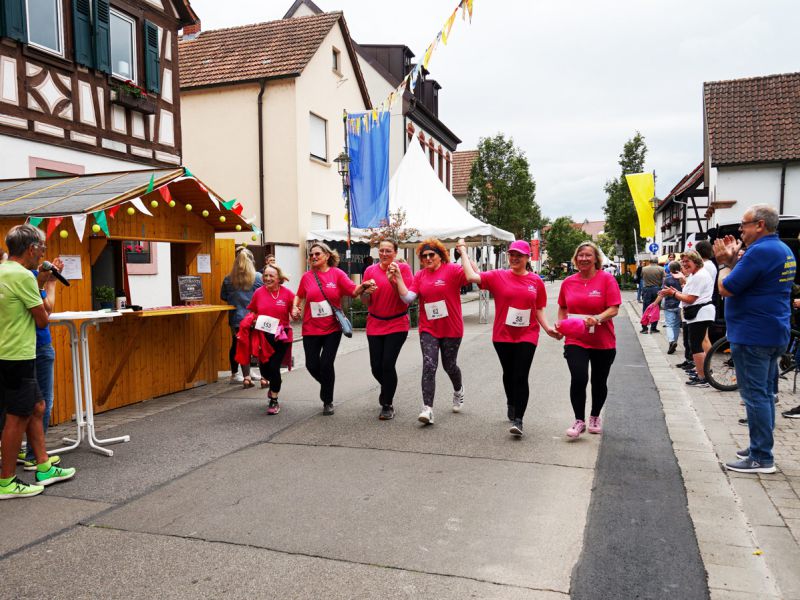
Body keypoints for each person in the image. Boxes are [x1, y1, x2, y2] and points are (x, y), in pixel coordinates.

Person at [714, 204, 795, 473]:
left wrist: (724, 263)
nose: (740, 230)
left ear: (760, 225)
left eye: (744, 224)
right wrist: (734, 261)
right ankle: (758, 446)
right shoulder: (782, 249)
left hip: (752, 333)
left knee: (754, 396)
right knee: (766, 394)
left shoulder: (760, 251)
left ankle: (761, 456)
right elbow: (750, 281)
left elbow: (727, 287)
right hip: (773, 330)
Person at [1, 225, 76, 499]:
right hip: (18, 354)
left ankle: (43, 466)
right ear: (32, 249)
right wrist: (44, 283)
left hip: (7, 352)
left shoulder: (3, 270)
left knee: (37, 406)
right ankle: (6, 482)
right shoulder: (23, 276)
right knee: (16, 417)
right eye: (42, 248)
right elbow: (43, 318)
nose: (43, 253)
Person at [458, 239, 561, 436]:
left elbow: (539, 308)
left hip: (527, 334)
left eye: (519, 255)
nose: (514, 258)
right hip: (503, 335)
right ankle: (511, 403)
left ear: (527, 258)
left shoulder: (536, 281)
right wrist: (463, 251)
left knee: (521, 375)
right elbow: (471, 276)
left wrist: (547, 328)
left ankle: (518, 420)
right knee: (509, 373)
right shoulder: (498, 276)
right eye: (512, 254)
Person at [291, 242, 375, 415]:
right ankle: (327, 386)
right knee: (311, 365)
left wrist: (364, 285)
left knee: (326, 364)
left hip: (332, 328)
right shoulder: (307, 277)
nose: (313, 257)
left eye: (317, 254)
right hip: (310, 328)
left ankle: (327, 400)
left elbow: (353, 291)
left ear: (327, 256)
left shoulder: (337, 274)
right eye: (311, 255)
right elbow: (299, 295)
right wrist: (295, 307)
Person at [391, 238, 467, 425]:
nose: (427, 258)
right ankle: (427, 409)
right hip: (429, 329)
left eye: (431, 254)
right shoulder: (420, 275)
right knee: (429, 365)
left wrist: (464, 252)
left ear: (440, 255)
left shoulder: (452, 270)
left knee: (449, 366)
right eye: (423, 256)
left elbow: (472, 275)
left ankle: (458, 389)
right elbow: (408, 298)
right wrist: (398, 277)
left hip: (451, 328)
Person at [556, 241, 621, 438]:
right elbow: (563, 307)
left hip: (603, 341)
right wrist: (562, 325)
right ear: (576, 259)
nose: (584, 258)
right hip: (576, 339)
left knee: (599, 382)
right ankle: (579, 421)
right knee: (579, 378)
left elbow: (614, 308)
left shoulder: (607, 279)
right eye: (580, 255)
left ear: (595, 259)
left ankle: (594, 416)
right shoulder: (568, 282)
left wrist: (598, 318)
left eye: (588, 255)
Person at [19, 257, 64, 469]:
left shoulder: (11, 278)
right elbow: (47, 311)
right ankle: (34, 456)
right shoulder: (30, 278)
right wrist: (51, 283)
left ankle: (24, 453)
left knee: (19, 403)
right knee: (42, 401)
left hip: (17, 348)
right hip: (38, 344)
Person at [360, 239, 412, 420]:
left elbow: (407, 299)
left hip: (397, 323)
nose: (384, 254)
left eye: (388, 250)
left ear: (395, 253)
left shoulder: (403, 269)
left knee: (387, 364)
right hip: (375, 323)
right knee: (376, 367)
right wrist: (366, 293)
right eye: (381, 250)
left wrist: (394, 281)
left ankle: (387, 404)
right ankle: (388, 388)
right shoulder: (370, 271)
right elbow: (365, 301)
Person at [661, 251, 715, 387]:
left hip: (700, 313)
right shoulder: (695, 275)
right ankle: (702, 373)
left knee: (696, 345)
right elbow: (689, 295)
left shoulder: (700, 276)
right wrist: (676, 292)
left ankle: (703, 377)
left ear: (696, 261)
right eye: (683, 261)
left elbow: (690, 299)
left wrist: (673, 293)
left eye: (687, 261)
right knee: (695, 344)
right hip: (698, 313)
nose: (684, 264)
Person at [247, 264, 294, 415]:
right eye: (265, 275)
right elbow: (253, 311)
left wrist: (296, 312)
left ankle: (274, 400)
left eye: (271, 276)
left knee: (274, 367)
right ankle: (274, 382)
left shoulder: (287, 294)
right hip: (263, 337)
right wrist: (252, 320)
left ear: (278, 278)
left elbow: (295, 311)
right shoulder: (258, 293)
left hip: (281, 336)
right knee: (265, 370)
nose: (267, 278)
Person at [221, 247, 263, 387]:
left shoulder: (228, 278)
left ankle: (236, 374)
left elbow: (223, 296)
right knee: (253, 344)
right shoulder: (258, 277)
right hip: (254, 318)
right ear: (251, 261)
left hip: (236, 318)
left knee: (237, 345)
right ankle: (250, 373)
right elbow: (263, 294)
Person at [661, 261, 683, 355]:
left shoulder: (667, 279)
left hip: (669, 304)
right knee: (676, 325)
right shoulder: (683, 278)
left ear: (669, 269)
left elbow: (663, 291)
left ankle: (671, 341)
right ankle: (674, 342)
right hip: (680, 303)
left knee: (669, 324)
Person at [640, 259, 664, 333]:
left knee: (646, 308)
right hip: (657, 289)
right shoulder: (661, 269)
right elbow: (663, 279)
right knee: (656, 308)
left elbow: (642, 277)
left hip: (646, 289)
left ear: (650, 262)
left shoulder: (644, 269)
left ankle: (644, 328)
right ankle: (653, 328)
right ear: (657, 262)